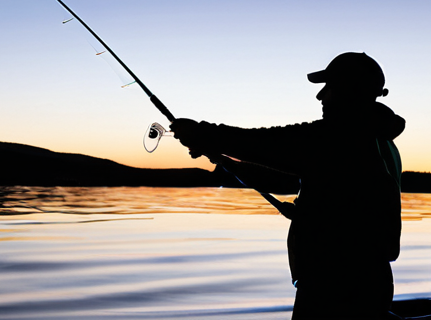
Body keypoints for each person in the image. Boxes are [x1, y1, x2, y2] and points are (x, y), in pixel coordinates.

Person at [171, 52, 404, 320]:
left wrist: (201, 133)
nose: (320, 96)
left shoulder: (337, 137)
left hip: (335, 286)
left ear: (346, 90)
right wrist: (225, 160)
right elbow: (290, 178)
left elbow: (262, 144)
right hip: (367, 280)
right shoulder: (381, 143)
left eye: (327, 88)